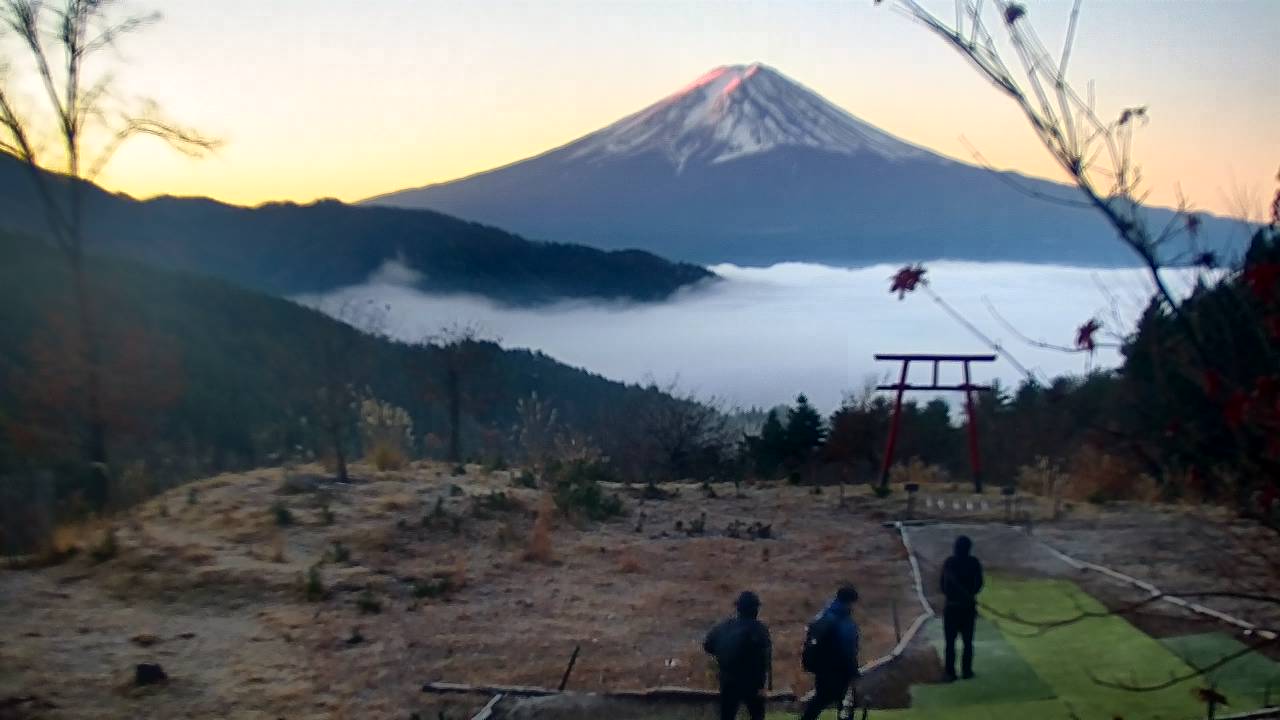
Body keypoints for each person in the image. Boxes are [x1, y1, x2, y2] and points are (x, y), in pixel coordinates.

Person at [704, 590, 773, 720]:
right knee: (757, 715)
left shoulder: (724, 626)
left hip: (727, 679)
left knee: (727, 715)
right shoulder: (759, 629)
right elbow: (764, 660)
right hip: (751, 681)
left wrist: (722, 657)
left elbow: (708, 645)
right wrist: (763, 685)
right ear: (755, 609)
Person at [799, 586, 860, 720]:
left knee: (820, 699)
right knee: (845, 703)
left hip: (822, 668)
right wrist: (853, 669)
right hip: (840, 669)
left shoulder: (824, 614)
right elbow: (848, 648)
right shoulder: (844, 621)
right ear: (849, 602)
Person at [940, 534, 984, 681]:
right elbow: (979, 584)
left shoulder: (949, 563)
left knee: (950, 643)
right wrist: (969, 594)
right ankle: (966, 671)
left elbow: (943, 586)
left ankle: (950, 672)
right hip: (968, 608)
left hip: (951, 607)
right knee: (967, 642)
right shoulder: (974, 563)